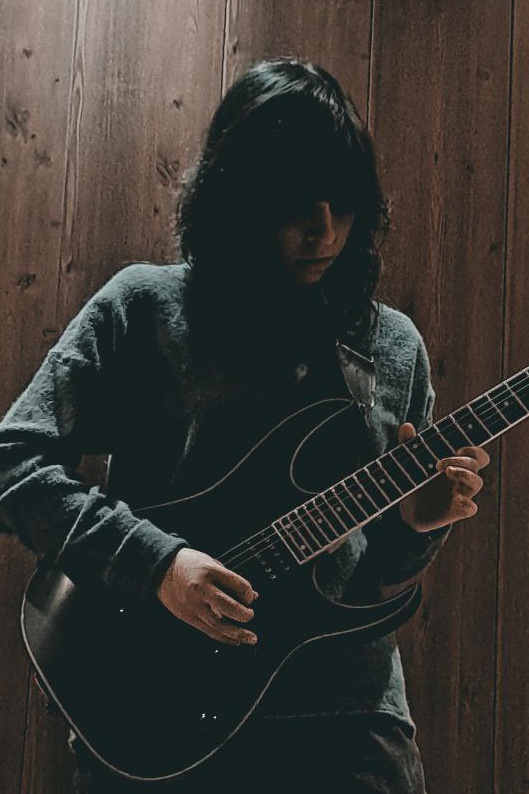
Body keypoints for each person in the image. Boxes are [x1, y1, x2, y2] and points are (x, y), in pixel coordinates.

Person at [0, 58, 489, 793]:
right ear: (236, 201)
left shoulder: (391, 347)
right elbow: (14, 462)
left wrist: (418, 527)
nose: (325, 231)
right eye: (295, 205)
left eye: (344, 204)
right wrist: (159, 567)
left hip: (345, 724)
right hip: (153, 713)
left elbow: (375, 581)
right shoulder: (143, 310)